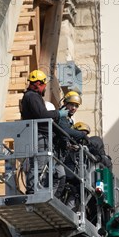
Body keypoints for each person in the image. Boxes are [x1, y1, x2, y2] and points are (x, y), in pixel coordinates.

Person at [19, 69, 68, 197]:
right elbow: (42, 115)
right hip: (39, 135)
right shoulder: (32, 96)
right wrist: (58, 114)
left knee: (42, 163)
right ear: (39, 84)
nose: (44, 88)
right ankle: (31, 190)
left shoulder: (31, 97)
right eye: (44, 85)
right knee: (38, 162)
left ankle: (35, 188)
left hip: (40, 135)